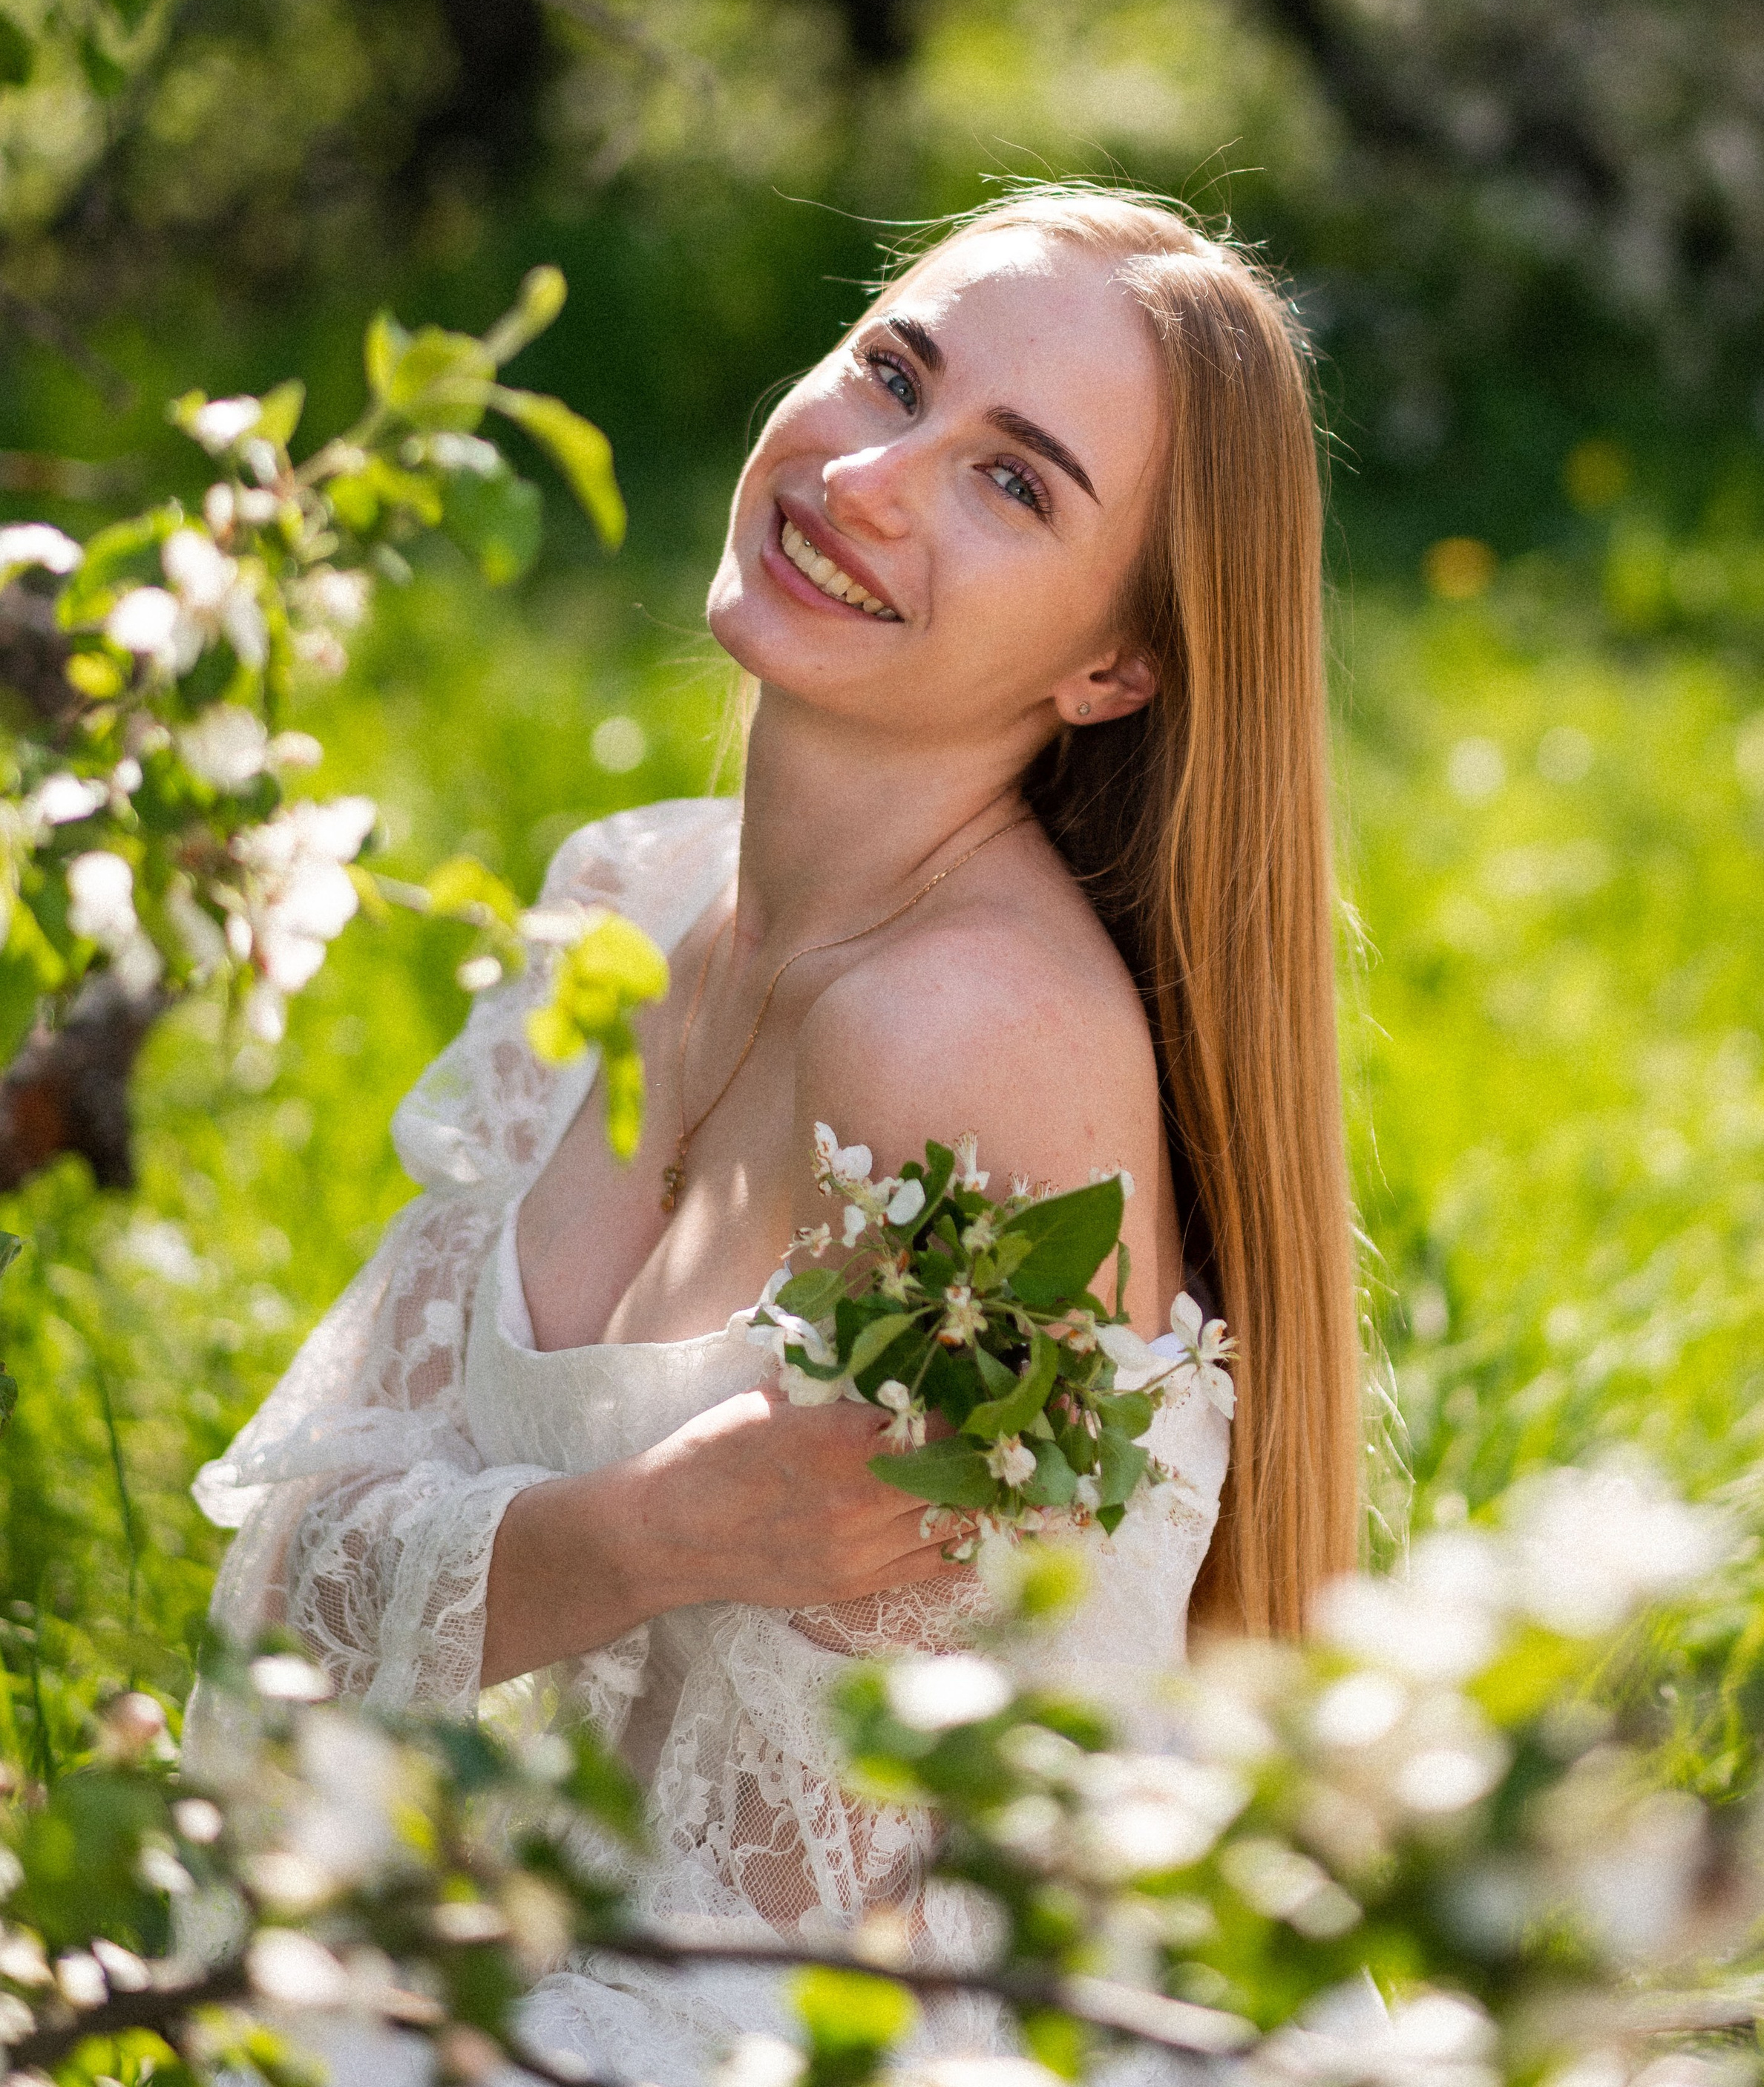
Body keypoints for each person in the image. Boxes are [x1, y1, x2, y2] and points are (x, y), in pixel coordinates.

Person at [189, 186, 1360, 2086]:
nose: (871, 475)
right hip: (526, 1934)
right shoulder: (634, 902)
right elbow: (286, 1579)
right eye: (890, 369)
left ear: (1112, 670)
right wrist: (639, 1532)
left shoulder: (973, 1044)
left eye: (1012, 485)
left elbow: (883, 1912)